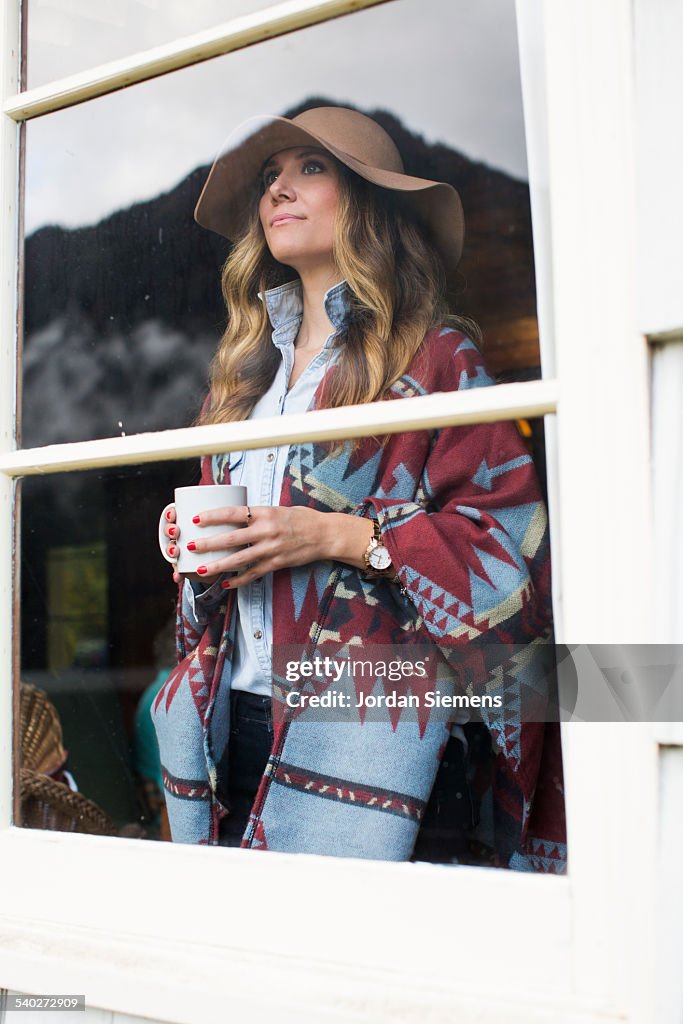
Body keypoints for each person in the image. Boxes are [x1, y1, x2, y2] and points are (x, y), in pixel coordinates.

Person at [151, 106, 566, 871]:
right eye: (270, 178)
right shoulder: (243, 383)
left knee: (368, 978)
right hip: (232, 721)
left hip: (376, 737)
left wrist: (344, 537)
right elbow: (223, 564)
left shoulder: (437, 359)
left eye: (311, 169)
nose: (279, 189)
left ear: (370, 206)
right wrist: (187, 546)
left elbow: (511, 555)